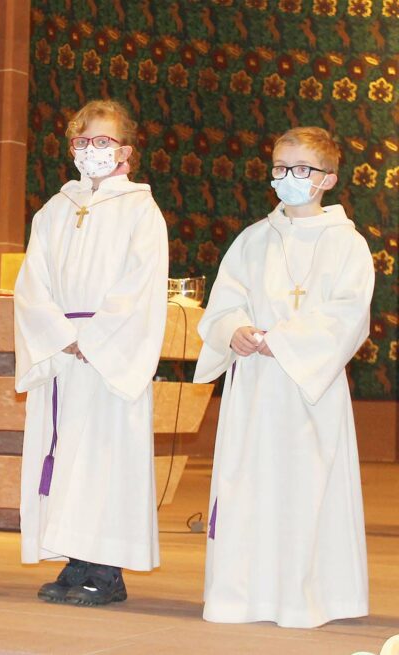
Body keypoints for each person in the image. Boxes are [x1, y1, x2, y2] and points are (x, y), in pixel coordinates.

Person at [194, 126, 372, 628]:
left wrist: (285, 341)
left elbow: (350, 314)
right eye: (279, 168)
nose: (287, 177)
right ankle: (241, 597)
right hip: (254, 384)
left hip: (308, 389)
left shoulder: (347, 244)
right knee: (248, 486)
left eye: (301, 169)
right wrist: (234, 330)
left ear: (328, 179)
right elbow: (223, 304)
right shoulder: (254, 239)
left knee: (306, 487)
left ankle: (306, 599)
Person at [13, 100, 168, 606]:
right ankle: (76, 558)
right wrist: (59, 334)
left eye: (103, 141)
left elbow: (141, 285)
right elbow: (31, 282)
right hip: (63, 350)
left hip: (107, 357)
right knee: (65, 457)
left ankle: (106, 570)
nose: (90, 150)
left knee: (104, 458)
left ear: (126, 151)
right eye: (82, 141)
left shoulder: (140, 211)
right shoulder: (54, 209)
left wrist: (96, 339)